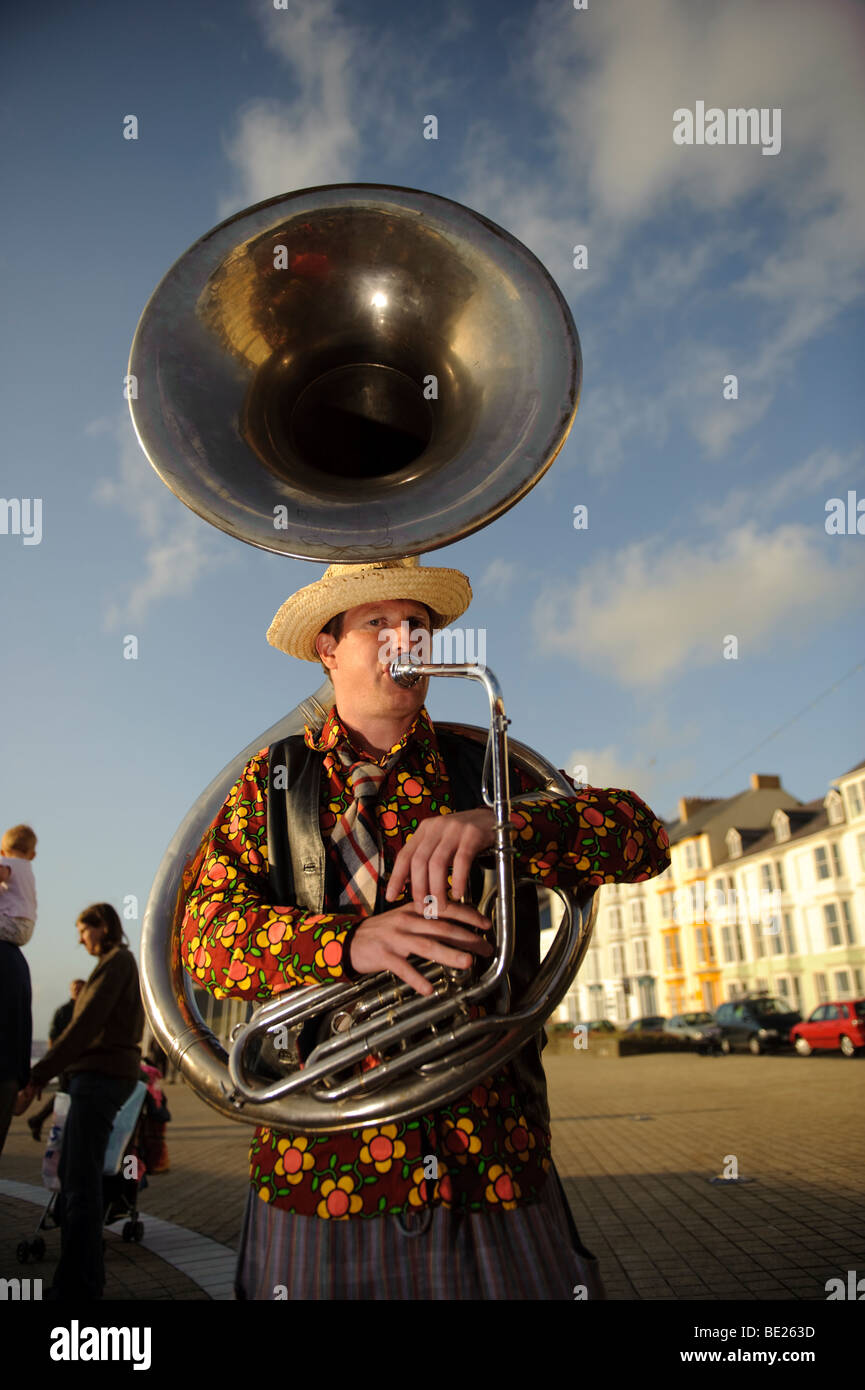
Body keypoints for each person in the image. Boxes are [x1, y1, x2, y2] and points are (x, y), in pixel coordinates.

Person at [179, 557, 672, 1300]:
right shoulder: (267, 781)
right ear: (328, 647)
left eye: (416, 624)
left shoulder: (487, 766)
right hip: (321, 1167)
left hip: (490, 1155)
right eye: (376, 623)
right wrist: (348, 945)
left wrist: (500, 823)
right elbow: (202, 938)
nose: (402, 639)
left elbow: (642, 839)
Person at [15, 903, 145, 1300]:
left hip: (100, 1080)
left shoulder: (117, 962)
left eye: (83, 930)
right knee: (77, 1183)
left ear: (103, 925)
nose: (79, 939)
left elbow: (84, 1024)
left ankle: (78, 1287)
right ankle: (85, 1280)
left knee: (79, 1188)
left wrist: (37, 1077)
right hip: (98, 1079)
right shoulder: (115, 963)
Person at [26, 980, 87, 1143]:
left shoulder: (86, 1010)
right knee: (66, 1091)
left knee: (67, 1092)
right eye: (75, 989)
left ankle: (39, 1120)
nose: (77, 991)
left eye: (80, 989)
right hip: (65, 1061)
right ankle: (40, 1120)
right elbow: (53, 1037)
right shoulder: (64, 1011)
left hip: (81, 1061)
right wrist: (52, 1062)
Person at [0, 823, 38, 946]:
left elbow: (2, 875)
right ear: (32, 855)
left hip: (10, 922)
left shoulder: (7, 863)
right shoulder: (27, 870)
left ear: (2, 852)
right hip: (27, 927)